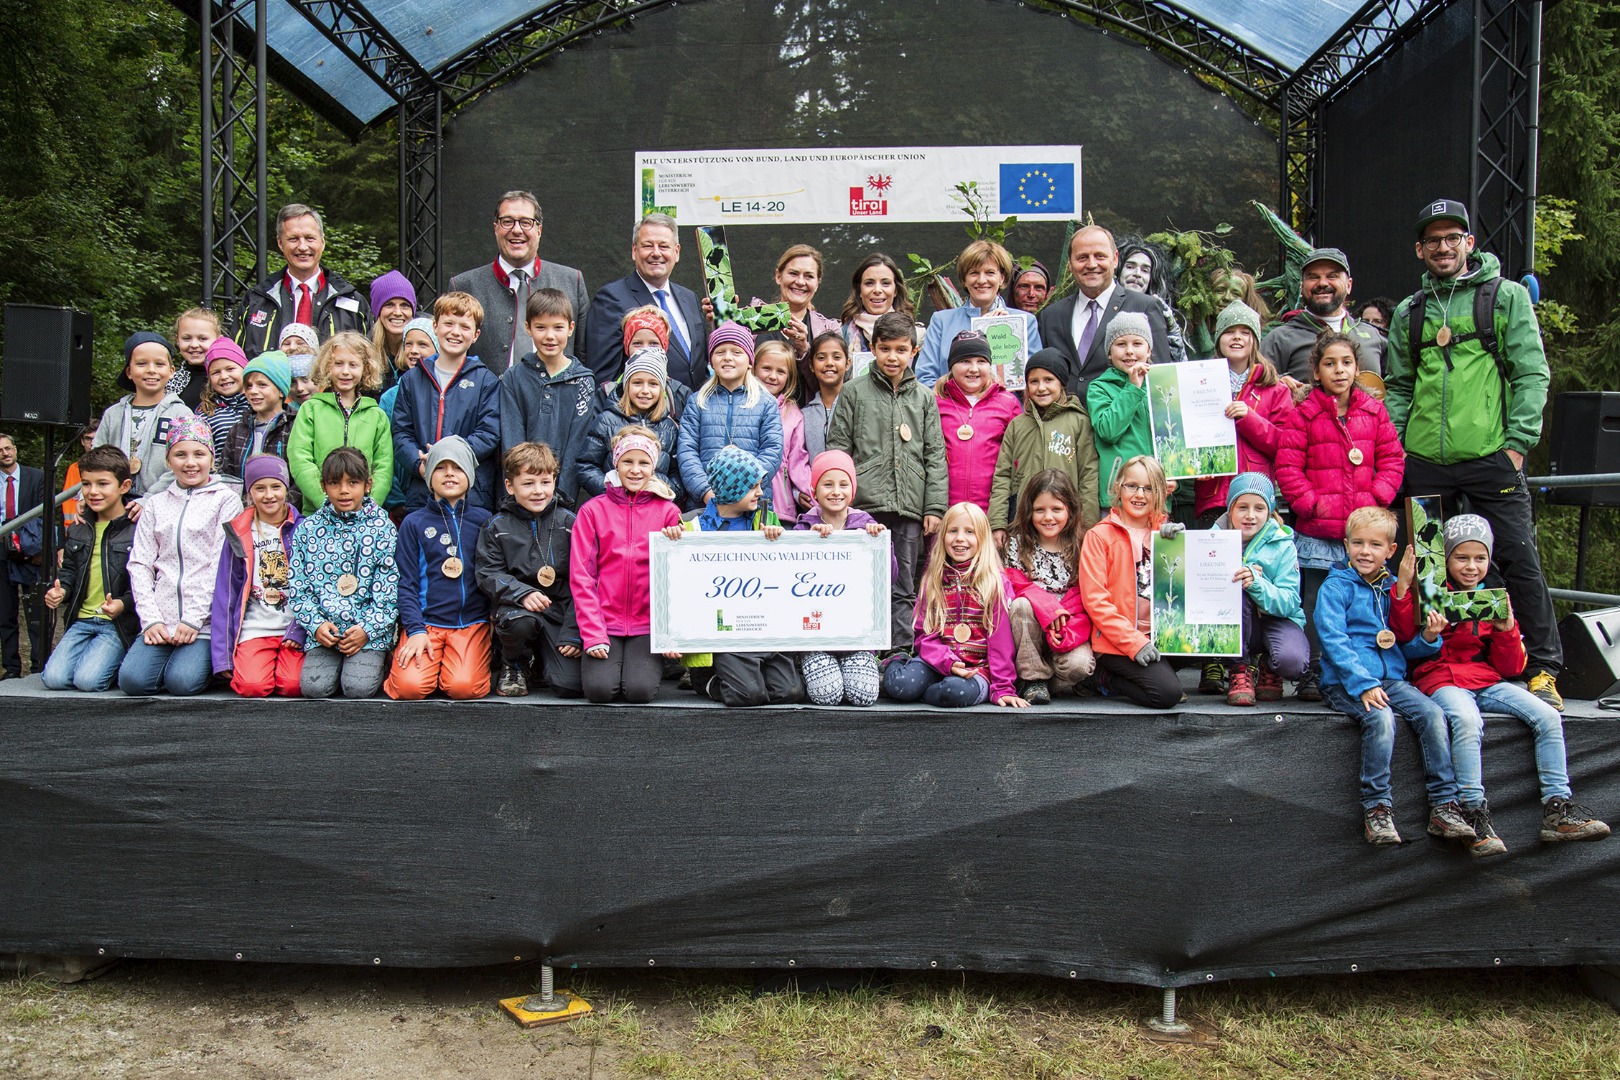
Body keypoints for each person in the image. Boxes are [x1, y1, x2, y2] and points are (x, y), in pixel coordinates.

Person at [1386, 197, 1567, 710]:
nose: (1443, 248)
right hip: (1424, 461)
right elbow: (1399, 386)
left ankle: (1543, 668)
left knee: (1516, 556)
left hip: (1492, 457)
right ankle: (1428, 659)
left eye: (1453, 238)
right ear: (1420, 250)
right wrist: (1399, 449)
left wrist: (1517, 446)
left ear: (1468, 243)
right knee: (1424, 564)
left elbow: (1531, 373)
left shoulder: (1504, 297)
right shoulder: (1410, 311)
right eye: (1433, 240)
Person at [1405, 515, 1609, 853]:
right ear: (1447, 558)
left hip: (1485, 679)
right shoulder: (1429, 593)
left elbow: (1511, 667)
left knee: (1547, 716)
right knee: (1468, 722)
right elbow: (1407, 650)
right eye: (1462, 558)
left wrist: (1508, 630)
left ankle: (1558, 809)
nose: (1471, 567)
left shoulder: (1492, 597)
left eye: (1479, 558)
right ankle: (1473, 812)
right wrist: (1428, 634)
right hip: (1442, 679)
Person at [1314, 506, 1473, 847]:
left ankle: (1444, 806)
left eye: (1374, 545)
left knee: (1433, 714)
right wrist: (1363, 684)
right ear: (1346, 545)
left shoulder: (1393, 589)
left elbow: (1401, 646)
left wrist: (1429, 639)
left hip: (1393, 679)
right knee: (1381, 719)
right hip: (1345, 682)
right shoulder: (1335, 587)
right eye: (1358, 543)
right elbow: (1334, 642)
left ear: (1391, 550)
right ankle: (1377, 809)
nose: (1365, 551)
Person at [1275, 332, 1404, 702]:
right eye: (1330, 363)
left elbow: (1393, 460)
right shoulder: (1305, 413)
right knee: (1316, 603)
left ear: (1357, 368)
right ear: (1316, 371)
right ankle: (1314, 672)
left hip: (1363, 533)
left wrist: (1376, 498)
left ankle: (1364, 668)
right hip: (1320, 531)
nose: (1339, 370)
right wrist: (1312, 505)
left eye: (1346, 363)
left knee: (1365, 602)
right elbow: (1288, 466)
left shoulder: (1374, 412)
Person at [825, 311, 947, 652]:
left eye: (901, 349)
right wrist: (841, 500)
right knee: (862, 581)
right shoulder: (852, 392)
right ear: (873, 349)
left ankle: (899, 653)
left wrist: (934, 506)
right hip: (864, 507)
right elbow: (838, 449)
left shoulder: (923, 398)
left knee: (904, 583)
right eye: (885, 348)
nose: (892, 357)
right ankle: (861, 649)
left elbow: (935, 455)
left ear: (914, 351)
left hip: (909, 507)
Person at [666, 445, 804, 707]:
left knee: (791, 692)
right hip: (720, 634)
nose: (761, 493)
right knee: (748, 695)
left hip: (764, 628)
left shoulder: (766, 521)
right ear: (732, 486)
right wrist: (673, 541)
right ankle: (706, 680)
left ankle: (750, 675)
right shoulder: (691, 527)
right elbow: (676, 585)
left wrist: (777, 539)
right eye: (753, 486)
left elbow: (784, 573)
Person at [118, 416, 242, 696]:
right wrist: (150, 619)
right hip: (161, 617)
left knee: (182, 682)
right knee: (133, 682)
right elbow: (140, 564)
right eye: (180, 454)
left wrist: (193, 620)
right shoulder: (155, 505)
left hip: (204, 621)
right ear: (168, 460)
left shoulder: (226, 500)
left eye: (199, 454)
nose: (190, 463)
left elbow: (219, 566)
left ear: (212, 458)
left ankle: (203, 664)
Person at [570, 426, 683, 704]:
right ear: (615, 464)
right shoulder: (592, 511)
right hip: (604, 622)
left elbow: (679, 579)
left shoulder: (669, 512)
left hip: (647, 625)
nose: (635, 470)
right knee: (599, 691)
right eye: (627, 462)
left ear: (653, 467)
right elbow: (582, 576)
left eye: (644, 463)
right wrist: (593, 634)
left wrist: (669, 635)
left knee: (639, 692)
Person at [881, 502, 1030, 708]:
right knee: (900, 685)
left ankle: (925, 692)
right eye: (953, 531)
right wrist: (947, 662)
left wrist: (1003, 687)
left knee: (954, 692)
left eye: (970, 532)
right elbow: (924, 635)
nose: (960, 538)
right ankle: (896, 662)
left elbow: (1001, 641)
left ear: (983, 539)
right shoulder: (933, 581)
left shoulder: (994, 583)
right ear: (943, 538)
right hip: (937, 662)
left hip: (977, 669)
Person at [384, 437, 494, 701]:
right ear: (428, 476)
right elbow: (407, 583)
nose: (449, 474)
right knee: (408, 688)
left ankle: (453, 669)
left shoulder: (484, 520)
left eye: (456, 468)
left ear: (469, 474)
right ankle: (428, 668)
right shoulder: (413, 523)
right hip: (426, 625)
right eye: (440, 468)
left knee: (463, 688)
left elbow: (493, 575)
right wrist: (415, 629)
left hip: (471, 624)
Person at [290, 446, 399, 699]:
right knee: (314, 688)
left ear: (368, 484)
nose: (344, 491)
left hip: (368, 632)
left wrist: (367, 629)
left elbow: (389, 590)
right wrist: (316, 625)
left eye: (353, 482)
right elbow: (299, 587)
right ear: (323, 485)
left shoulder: (383, 527)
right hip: (325, 633)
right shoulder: (308, 530)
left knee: (357, 689)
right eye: (334, 483)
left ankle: (378, 660)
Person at [477, 442, 583, 698]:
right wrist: (520, 592)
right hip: (517, 609)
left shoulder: (570, 522)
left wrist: (574, 631)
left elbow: (584, 578)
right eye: (528, 484)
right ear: (510, 486)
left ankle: (543, 664)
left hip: (559, 611)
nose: (538, 491)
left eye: (545, 482)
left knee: (570, 685)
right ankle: (514, 664)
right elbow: (487, 573)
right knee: (520, 624)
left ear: (555, 482)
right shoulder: (496, 526)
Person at [447, 190, 590, 375]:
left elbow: (583, 355)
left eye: (525, 222)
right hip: (486, 401)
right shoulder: (465, 286)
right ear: (496, 228)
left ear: (539, 230)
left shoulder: (572, 281)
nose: (516, 230)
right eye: (507, 221)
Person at [1080, 456, 1183, 708]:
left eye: (1149, 488)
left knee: (1215, 646)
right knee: (1168, 694)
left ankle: (1157, 670)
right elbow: (1096, 602)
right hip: (1117, 640)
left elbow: (1182, 588)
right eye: (1132, 486)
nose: (1140, 494)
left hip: (1158, 634)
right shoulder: (1099, 536)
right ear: (1118, 488)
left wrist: (1180, 544)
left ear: (1160, 492)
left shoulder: (1166, 533)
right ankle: (1102, 679)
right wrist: (1135, 643)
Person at [1037, 225, 1180, 396]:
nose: (1091, 264)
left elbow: (1160, 378)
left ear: (1115, 259)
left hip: (1123, 420)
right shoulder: (1051, 316)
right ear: (1070, 264)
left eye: (1100, 256)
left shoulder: (1145, 307)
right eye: (1082, 257)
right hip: (1064, 421)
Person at [41, 446, 138, 692]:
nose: (92, 492)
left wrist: (122, 604)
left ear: (124, 486)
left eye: (102, 484)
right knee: (53, 679)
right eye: (86, 484)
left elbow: (146, 581)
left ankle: (123, 662)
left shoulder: (137, 527)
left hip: (116, 623)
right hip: (82, 620)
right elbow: (69, 572)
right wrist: (61, 592)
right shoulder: (79, 527)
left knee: (88, 681)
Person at [794, 450, 886, 707]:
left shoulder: (866, 526)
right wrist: (808, 541)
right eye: (828, 484)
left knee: (864, 694)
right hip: (817, 638)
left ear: (853, 490)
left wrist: (880, 544)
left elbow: (888, 577)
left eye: (843, 484)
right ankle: (808, 666)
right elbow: (791, 578)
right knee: (827, 695)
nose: (836, 491)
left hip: (856, 637)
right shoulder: (803, 527)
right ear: (814, 490)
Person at [1211, 474, 1310, 706]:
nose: (1250, 515)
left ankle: (1268, 665)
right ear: (1230, 509)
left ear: (1269, 512)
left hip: (1277, 619)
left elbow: (1290, 601)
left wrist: (1257, 582)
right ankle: (1240, 669)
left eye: (1259, 508)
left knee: (1293, 661)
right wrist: (1174, 539)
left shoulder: (1283, 543)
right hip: (1236, 623)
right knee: (1237, 588)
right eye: (1242, 507)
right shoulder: (1211, 539)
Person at [211, 454, 305, 697]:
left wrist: (300, 629)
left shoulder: (305, 529)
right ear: (249, 492)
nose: (269, 495)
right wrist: (223, 658)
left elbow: (316, 586)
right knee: (251, 686)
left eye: (276, 486)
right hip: (256, 628)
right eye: (259, 488)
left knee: (293, 685)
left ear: (286, 488)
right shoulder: (239, 533)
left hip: (293, 628)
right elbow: (226, 594)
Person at [1193, 302, 1292, 529]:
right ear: (1218, 338)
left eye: (1245, 332)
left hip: (1255, 498)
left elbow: (1284, 445)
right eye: (1229, 331)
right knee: (1215, 561)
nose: (1237, 337)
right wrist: (1196, 467)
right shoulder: (1199, 382)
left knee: (1254, 562)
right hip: (1214, 497)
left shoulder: (1275, 389)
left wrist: (1249, 419)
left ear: (1255, 340)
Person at [499, 289, 597, 509]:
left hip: (565, 499)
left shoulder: (584, 381)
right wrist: (526, 487)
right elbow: (511, 437)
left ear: (571, 328)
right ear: (528, 328)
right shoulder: (514, 378)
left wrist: (561, 495)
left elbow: (578, 445)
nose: (550, 336)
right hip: (522, 496)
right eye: (541, 327)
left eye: (558, 327)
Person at [585, 212, 706, 389]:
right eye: (648, 246)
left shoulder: (690, 298)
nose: (656, 253)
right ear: (634, 251)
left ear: (676, 252)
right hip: (642, 414)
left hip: (693, 413)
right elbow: (603, 380)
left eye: (664, 246)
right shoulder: (611, 298)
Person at [1003, 469, 1094, 704]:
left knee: (1080, 667)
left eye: (1056, 509)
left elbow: (1088, 590)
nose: (1048, 517)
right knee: (1021, 605)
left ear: (1070, 511)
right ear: (1029, 511)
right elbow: (1013, 585)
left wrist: (1061, 615)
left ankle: (1041, 683)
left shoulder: (1084, 544)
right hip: (1029, 631)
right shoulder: (1017, 543)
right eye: (1039, 510)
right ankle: (1033, 679)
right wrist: (1046, 607)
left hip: (1069, 626)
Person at [234, 203, 370, 358]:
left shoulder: (352, 302)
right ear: (280, 243)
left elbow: (368, 364)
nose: (303, 246)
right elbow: (237, 362)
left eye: (309, 238)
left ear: (322, 242)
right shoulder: (255, 301)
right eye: (293, 239)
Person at [990, 347, 1099, 538]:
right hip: (1022, 523)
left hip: (1066, 523)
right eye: (1034, 381)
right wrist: (998, 522)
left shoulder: (1079, 422)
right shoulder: (1017, 425)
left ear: (1062, 383)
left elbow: (1088, 475)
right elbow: (1002, 475)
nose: (1041, 388)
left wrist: (1087, 526)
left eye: (1048, 380)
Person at [677, 322, 783, 511]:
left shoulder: (766, 403)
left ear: (750, 361)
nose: (727, 358)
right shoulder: (697, 402)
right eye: (720, 352)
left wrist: (745, 489)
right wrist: (706, 492)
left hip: (754, 503)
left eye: (736, 352)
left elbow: (772, 450)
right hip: (707, 504)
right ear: (711, 361)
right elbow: (687, 451)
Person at [286, 331, 394, 513]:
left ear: (365, 369)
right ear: (328, 367)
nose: (345, 371)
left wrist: (368, 506)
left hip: (363, 515)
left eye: (353, 365)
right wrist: (325, 501)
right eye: (338, 364)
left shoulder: (376, 415)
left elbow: (384, 466)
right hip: (319, 514)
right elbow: (300, 459)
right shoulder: (311, 409)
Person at [914, 240, 1041, 386]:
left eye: (990, 273)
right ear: (964, 280)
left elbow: (1035, 380)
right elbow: (924, 379)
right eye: (974, 273)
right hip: (950, 408)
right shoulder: (941, 321)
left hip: (1008, 408)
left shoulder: (1025, 322)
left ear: (1002, 278)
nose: (981, 280)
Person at [1261, 248, 1387, 392]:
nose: (1322, 283)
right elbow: (1257, 392)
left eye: (1332, 276)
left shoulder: (1373, 336)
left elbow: (1398, 390)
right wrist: (1277, 385)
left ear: (1349, 285)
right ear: (1302, 287)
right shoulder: (1279, 339)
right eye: (1313, 277)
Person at [93, 332, 194, 503]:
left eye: (159, 364)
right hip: (113, 506)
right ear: (129, 371)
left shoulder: (181, 414)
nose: (151, 370)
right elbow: (96, 460)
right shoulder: (113, 414)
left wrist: (149, 499)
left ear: (171, 372)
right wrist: (85, 496)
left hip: (163, 505)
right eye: (141, 364)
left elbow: (185, 465)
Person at [577, 346, 684, 504]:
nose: (645, 390)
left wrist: (665, 491)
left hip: (654, 507)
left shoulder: (669, 427)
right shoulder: (607, 420)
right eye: (637, 383)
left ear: (662, 389)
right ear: (626, 385)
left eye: (653, 384)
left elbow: (677, 472)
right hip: (615, 508)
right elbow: (586, 464)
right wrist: (611, 491)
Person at [936, 330, 1023, 519]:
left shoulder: (1007, 403)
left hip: (992, 513)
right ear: (951, 366)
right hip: (946, 513)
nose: (973, 368)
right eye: (965, 361)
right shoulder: (935, 402)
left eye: (981, 361)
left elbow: (1018, 460)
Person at [1086, 313, 1157, 511]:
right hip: (1117, 494)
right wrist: (1133, 388)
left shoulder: (1160, 385)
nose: (1129, 351)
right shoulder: (1100, 388)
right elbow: (1108, 430)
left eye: (1137, 343)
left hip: (1156, 492)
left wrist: (1173, 478)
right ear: (1109, 352)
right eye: (1121, 344)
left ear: (1148, 350)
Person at [219, 351, 297, 495]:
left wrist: (283, 507)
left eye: (262, 385)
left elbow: (299, 478)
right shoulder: (238, 430)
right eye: (249, 386)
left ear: (281, 391)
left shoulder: (295, 426)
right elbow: (227, 475)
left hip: (285, 511)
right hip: (243, 511)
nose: (253, 391)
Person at [752, 340, 812, 523]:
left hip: (780, 508)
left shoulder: (792, 414)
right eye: (766, 368)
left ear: (789, 377)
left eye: (780, 372)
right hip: (745, 504)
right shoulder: (743, 404)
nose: (772, 376)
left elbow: (798, 461)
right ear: (753, 369)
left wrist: (814, 494)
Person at [0, 432, 44, 678]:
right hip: (1, 554)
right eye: (0, 450)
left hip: (30, 553)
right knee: (5, 613)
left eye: (8, 448)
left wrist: (43, 550)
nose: (5, 453)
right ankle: (11, 669)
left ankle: (38, 667)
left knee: (35, 614)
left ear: (15, 449)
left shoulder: (35, 477)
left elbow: (48, 516)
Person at [840, 253, 916, 354]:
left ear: (895, 290)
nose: (877, 290)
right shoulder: (841, 334)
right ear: (859, 291)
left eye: (885, 283)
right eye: (869, 283)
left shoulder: (916, 335)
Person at [197, 337, 250, 457]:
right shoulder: (206, 415)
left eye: (230, 369)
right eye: (216, 372)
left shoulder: (259, 406)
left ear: (245, 368)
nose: (224, 376)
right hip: (220, 475)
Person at [802, 332, 850, 461]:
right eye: (821, 358)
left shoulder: (856, 408)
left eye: (836, 357)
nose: (829, 363)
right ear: (811, 365)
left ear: (848, 363)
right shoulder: (804, 415)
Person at [368, 269, 417, 389]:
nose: (397, 312)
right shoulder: (364, 353)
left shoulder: (426, 350)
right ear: (378, 311)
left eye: (405, 305)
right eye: (389, 304)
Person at [171, 307, 221, 409]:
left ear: (218, 340)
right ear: (177, 340)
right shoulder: (170, 382)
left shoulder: (227, 379)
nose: (194, 345)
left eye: (202, 339)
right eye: (186, 338)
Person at [61, 421, 99, 527]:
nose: (92, 443)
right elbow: (69, 502)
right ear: (82, 441)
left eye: (95, 438)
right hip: (79, 526)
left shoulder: (114, 466)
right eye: (88, 438)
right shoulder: (74, 469)